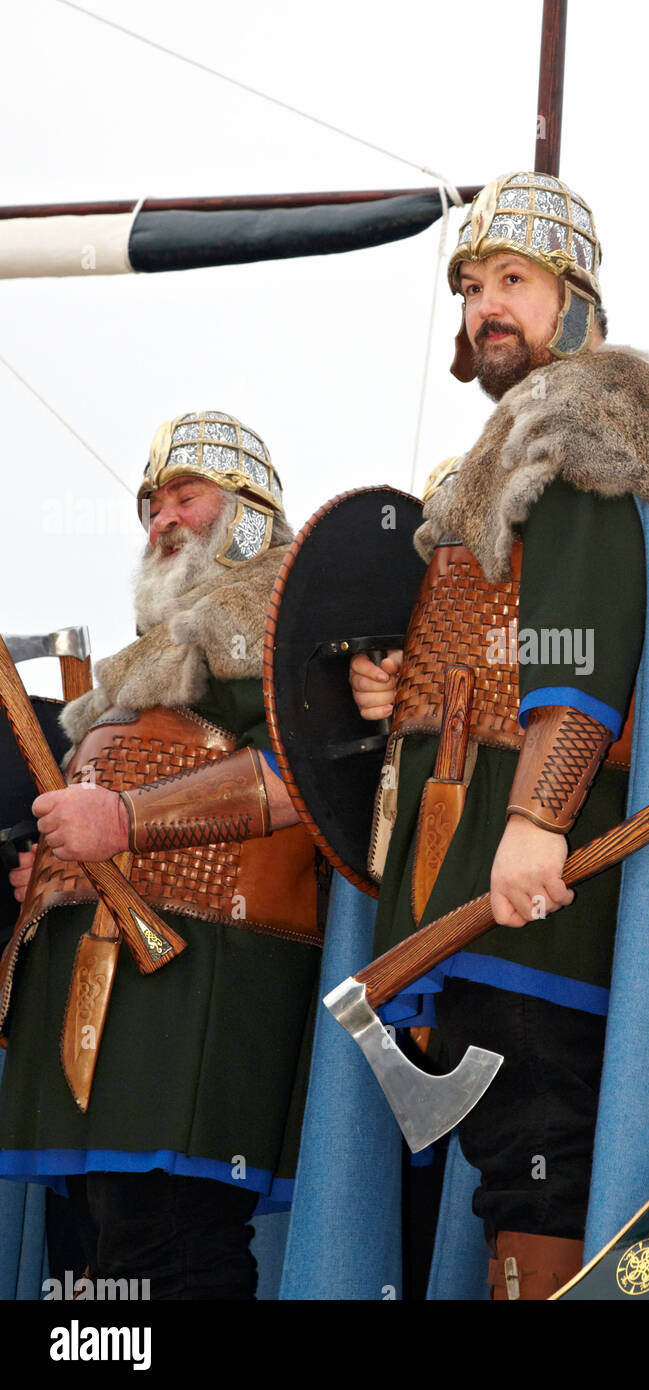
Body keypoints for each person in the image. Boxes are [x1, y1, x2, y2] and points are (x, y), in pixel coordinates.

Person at [347, 172, 649, 1299]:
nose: (483, 309)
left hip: (526, 883)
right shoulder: (525, 446)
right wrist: (404, 683)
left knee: (537, 1165)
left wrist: (534, 821)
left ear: (574, 297)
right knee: (520, 1165)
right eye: (470, 288)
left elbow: (583, 633)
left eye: (511, 281)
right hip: (483, 870)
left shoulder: (577, 425)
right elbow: (513, 629)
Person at [0, 412, 319, 1299]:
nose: (163, 519)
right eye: (151, 505)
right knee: (106, 1246)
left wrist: (124, 821)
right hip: (109, 989)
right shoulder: (136, 665)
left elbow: (306, 778)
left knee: (171, 1239)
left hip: (209, 976)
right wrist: (56, 876)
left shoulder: (278, 623)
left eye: (186, 495)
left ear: (250, 510)